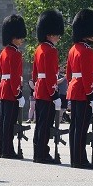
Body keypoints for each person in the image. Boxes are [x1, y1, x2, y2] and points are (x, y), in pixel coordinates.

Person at [66, 8, 93, 169]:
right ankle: (80, 159)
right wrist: (92, 96)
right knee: (81, 127)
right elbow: (88, 76)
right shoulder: (87, 51)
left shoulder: (73, 49)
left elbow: (68, 74)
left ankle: (76, 157)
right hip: (83, 92)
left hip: (74, 90)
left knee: (75, 126)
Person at [32, 9, 64, 164]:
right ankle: (42, 154)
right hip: (46, 92)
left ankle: (38, 152)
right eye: (56, 33)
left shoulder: (39, 49)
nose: (58, 36)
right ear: (50, 33)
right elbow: (50, 75)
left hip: (39, 90)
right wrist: (54, 94)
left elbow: (35, 73)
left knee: (40, 124)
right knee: (45, 125)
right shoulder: (50, 50)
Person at [0, 15, 27, 159]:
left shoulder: (4, 52)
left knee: (4, 122)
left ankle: (4, 148)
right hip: (11, 90)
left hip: (3, 89)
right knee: (9, 122)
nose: (22, 40)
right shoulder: (15, 53)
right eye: (20, 37)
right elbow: (14, 77)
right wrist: (18, 94)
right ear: (14, 37)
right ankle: (8, 150)